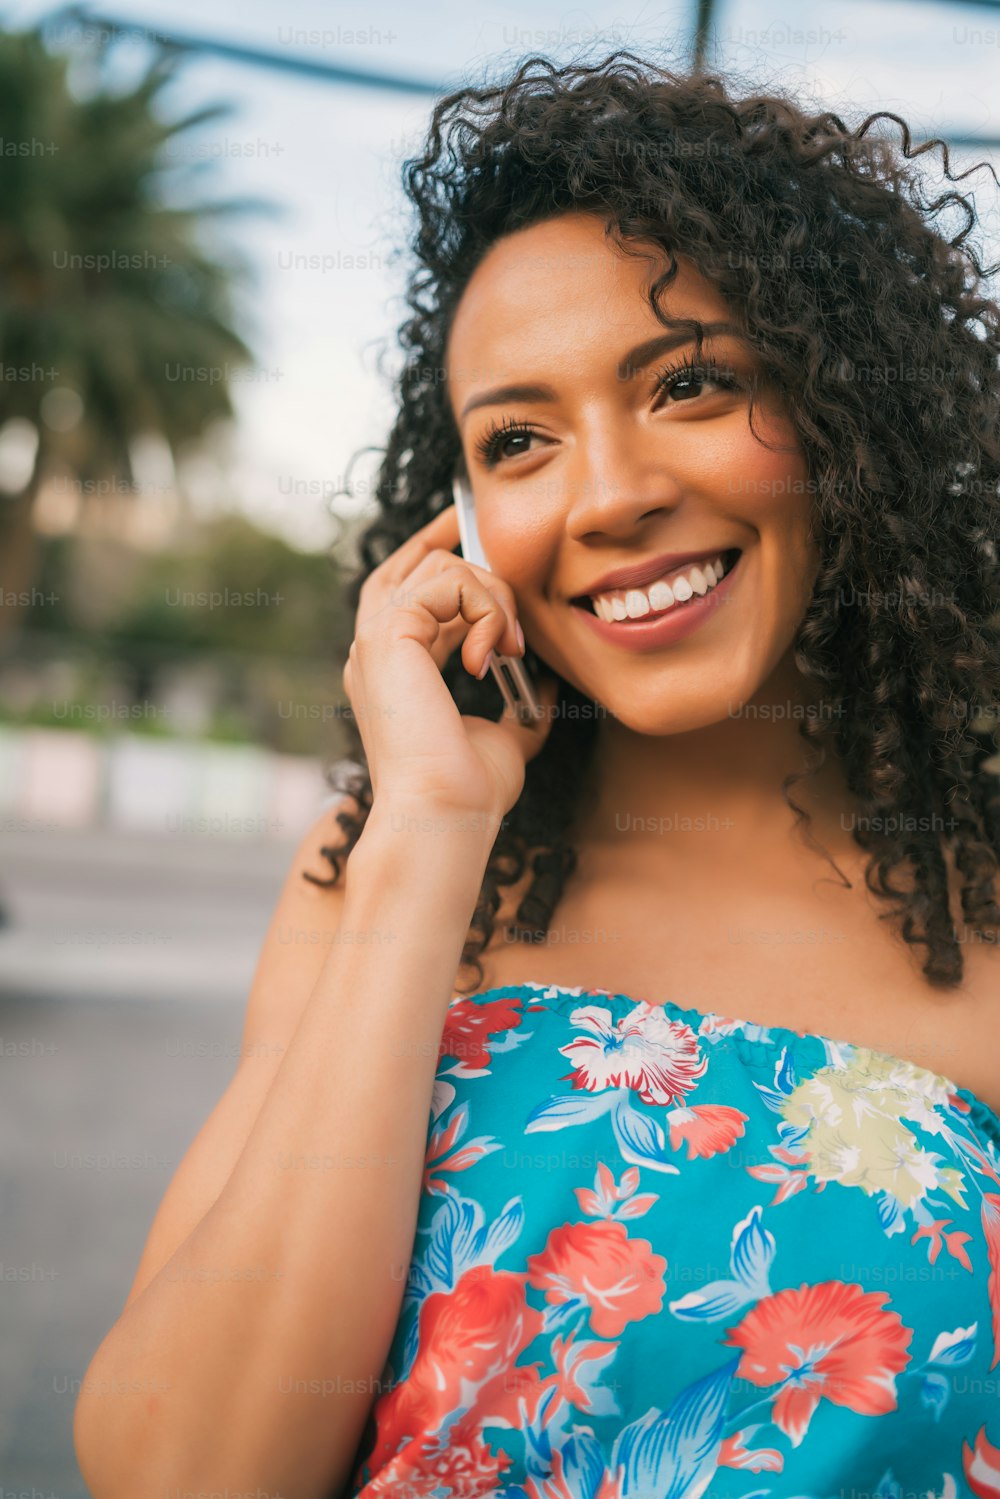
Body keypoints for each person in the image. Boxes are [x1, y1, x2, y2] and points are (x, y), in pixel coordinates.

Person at [75, 52, 1000, 1499]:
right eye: (518, 439)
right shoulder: (387, 872)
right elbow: (182, 1472)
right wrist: (433, 832)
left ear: (846, 417)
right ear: (462, 519)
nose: (609, 493)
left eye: (689, 385)